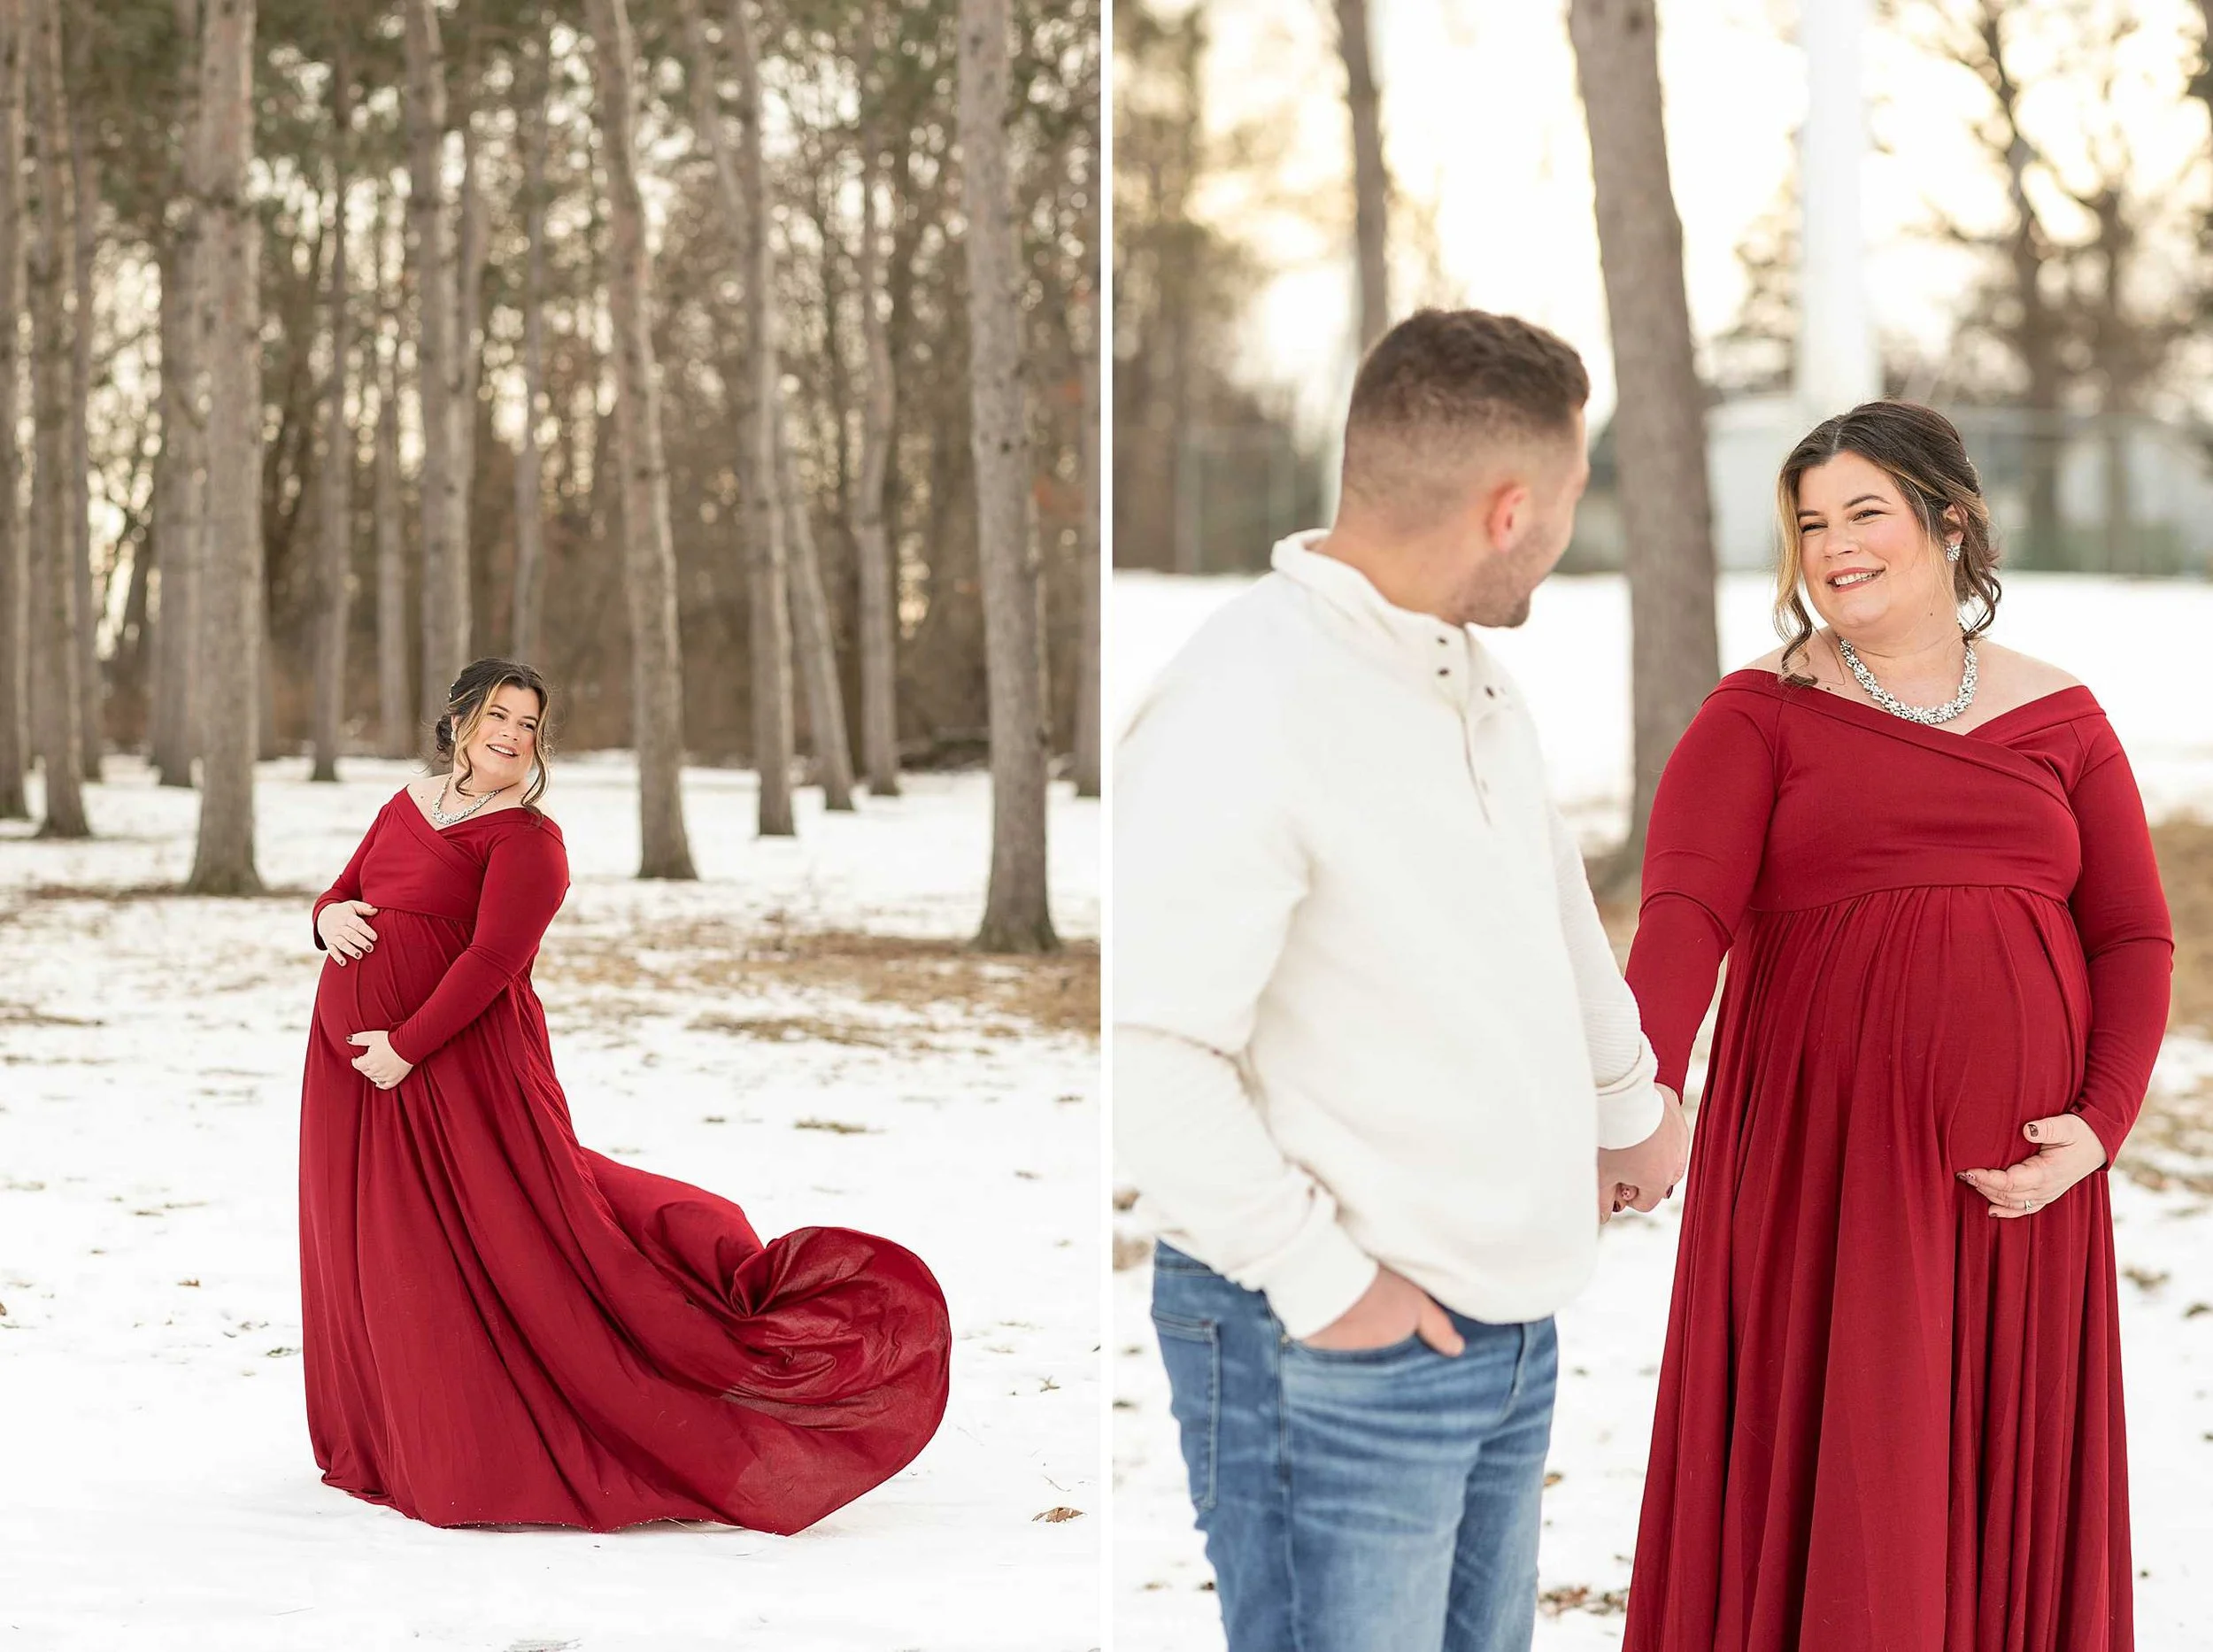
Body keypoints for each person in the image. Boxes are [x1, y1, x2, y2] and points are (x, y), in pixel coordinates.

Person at [1115, 307, 1691, 1652]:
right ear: (1508, 510)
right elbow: (1147, 1047)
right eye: (1566, 496)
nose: (1567, 523)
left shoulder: (1465, 674)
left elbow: (1547, 904)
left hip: (1501, 1320)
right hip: (1329, 1343)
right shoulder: (1246, 702)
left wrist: (1627, 1100)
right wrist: (1328, 1288)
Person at [1620, 401, 2172, 1651]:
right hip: (1828, 1170)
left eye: (1866, 511)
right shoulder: (1758, 712)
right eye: (1811, 522)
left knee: (1990, 1479)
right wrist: (1645, 1091)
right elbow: (1684, 913)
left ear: (1949, 521)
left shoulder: (2062, 715)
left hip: (2019, 1185)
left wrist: (2100, 1124)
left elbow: (2133, 934)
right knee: (1854, 1461)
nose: (1834, 544)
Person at [297, 658, 952, 1534]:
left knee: (496, 1238)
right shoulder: (408, 800)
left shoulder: (529, 841)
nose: (512, 737)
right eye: (499, 715)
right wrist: (324, 917)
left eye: (529, 725)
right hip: (352, 1068)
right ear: (461, 718)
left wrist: (409, 1048)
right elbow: (348, 890)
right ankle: (385, 1432)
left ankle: (467, 1443)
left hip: (454, 1063)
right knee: (370, 1239)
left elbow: (495, 963)